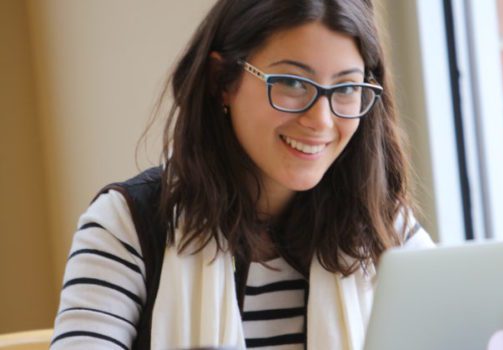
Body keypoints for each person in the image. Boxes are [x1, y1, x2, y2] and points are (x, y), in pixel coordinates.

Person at [50, 0, 434, 349]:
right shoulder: (126, 224)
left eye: (346, 87)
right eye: (293, 83)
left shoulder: (383, 227)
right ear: (223, 81)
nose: (322, 120)